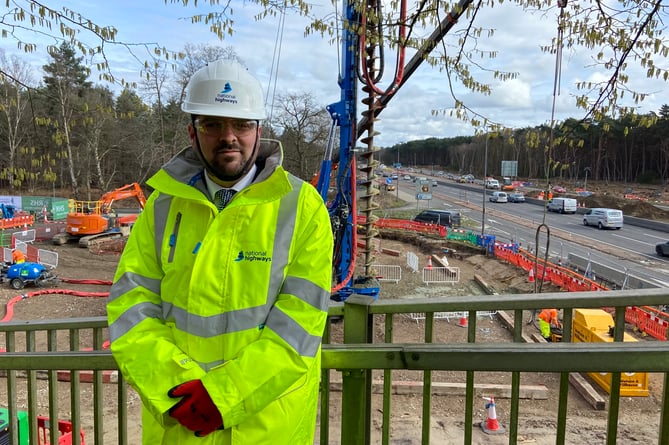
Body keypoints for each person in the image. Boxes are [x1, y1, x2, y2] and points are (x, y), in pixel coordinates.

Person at [106, 59, 333, 445]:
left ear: (259, 130)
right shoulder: (162, 206)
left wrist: (223, 397)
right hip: (181, 422)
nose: (229, 137)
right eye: (212, 124)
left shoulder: (302, 207)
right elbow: (131, 306)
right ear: (192, 133)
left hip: (267, 429)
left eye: (241, 125)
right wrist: (176, 388)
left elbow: (299, 327)